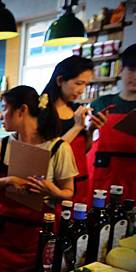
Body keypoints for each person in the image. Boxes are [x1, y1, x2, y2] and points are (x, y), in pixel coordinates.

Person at [0, 86, 78, 272]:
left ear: (22, 110)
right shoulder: (2, 145)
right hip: (0, 235)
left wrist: (52, 190)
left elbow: (69, 192)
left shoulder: (59, 148)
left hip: (36, 237)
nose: (0, 116)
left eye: (4, 108)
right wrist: (8, 180)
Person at [42, 56, 108, 204]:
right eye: (78, 83)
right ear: (60, 81)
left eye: (85, 84)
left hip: (80, 180)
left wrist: (91, 130)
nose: (82, 90)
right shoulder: (42, 110)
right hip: (56, 186)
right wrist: (77, 127)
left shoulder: (74, 109)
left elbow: (81, 150)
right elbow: (48, 152)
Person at [89, 44, 136, 199]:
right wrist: (90, 129)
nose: (135, 77)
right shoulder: (101, 104)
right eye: (132, 70)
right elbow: (86, 144)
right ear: (121, 70)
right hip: (103, 175)